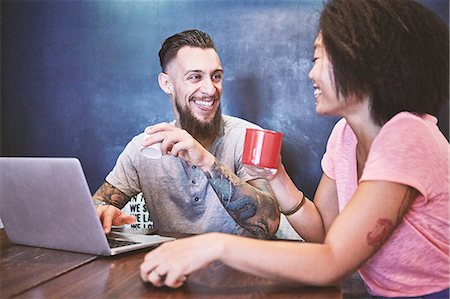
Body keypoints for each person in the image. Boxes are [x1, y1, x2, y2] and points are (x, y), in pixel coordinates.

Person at [139, 0, 450, 297]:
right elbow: (324, 233)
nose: (311, 74)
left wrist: (214, 246)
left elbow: (331, 262)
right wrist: (276, 176)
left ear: (363, 62)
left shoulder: (407, 134)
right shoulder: (345, 135)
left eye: (319, 59)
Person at [92, 29, 280, 240]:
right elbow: (98, 205)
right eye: (195, 77)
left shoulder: (248, 137)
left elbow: (269, 224)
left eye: (216, 76)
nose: (210, 89)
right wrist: (103, 212)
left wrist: (206, 161)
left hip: (239, 267)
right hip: (171, 266)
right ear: (167, 84)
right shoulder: (144, 147)